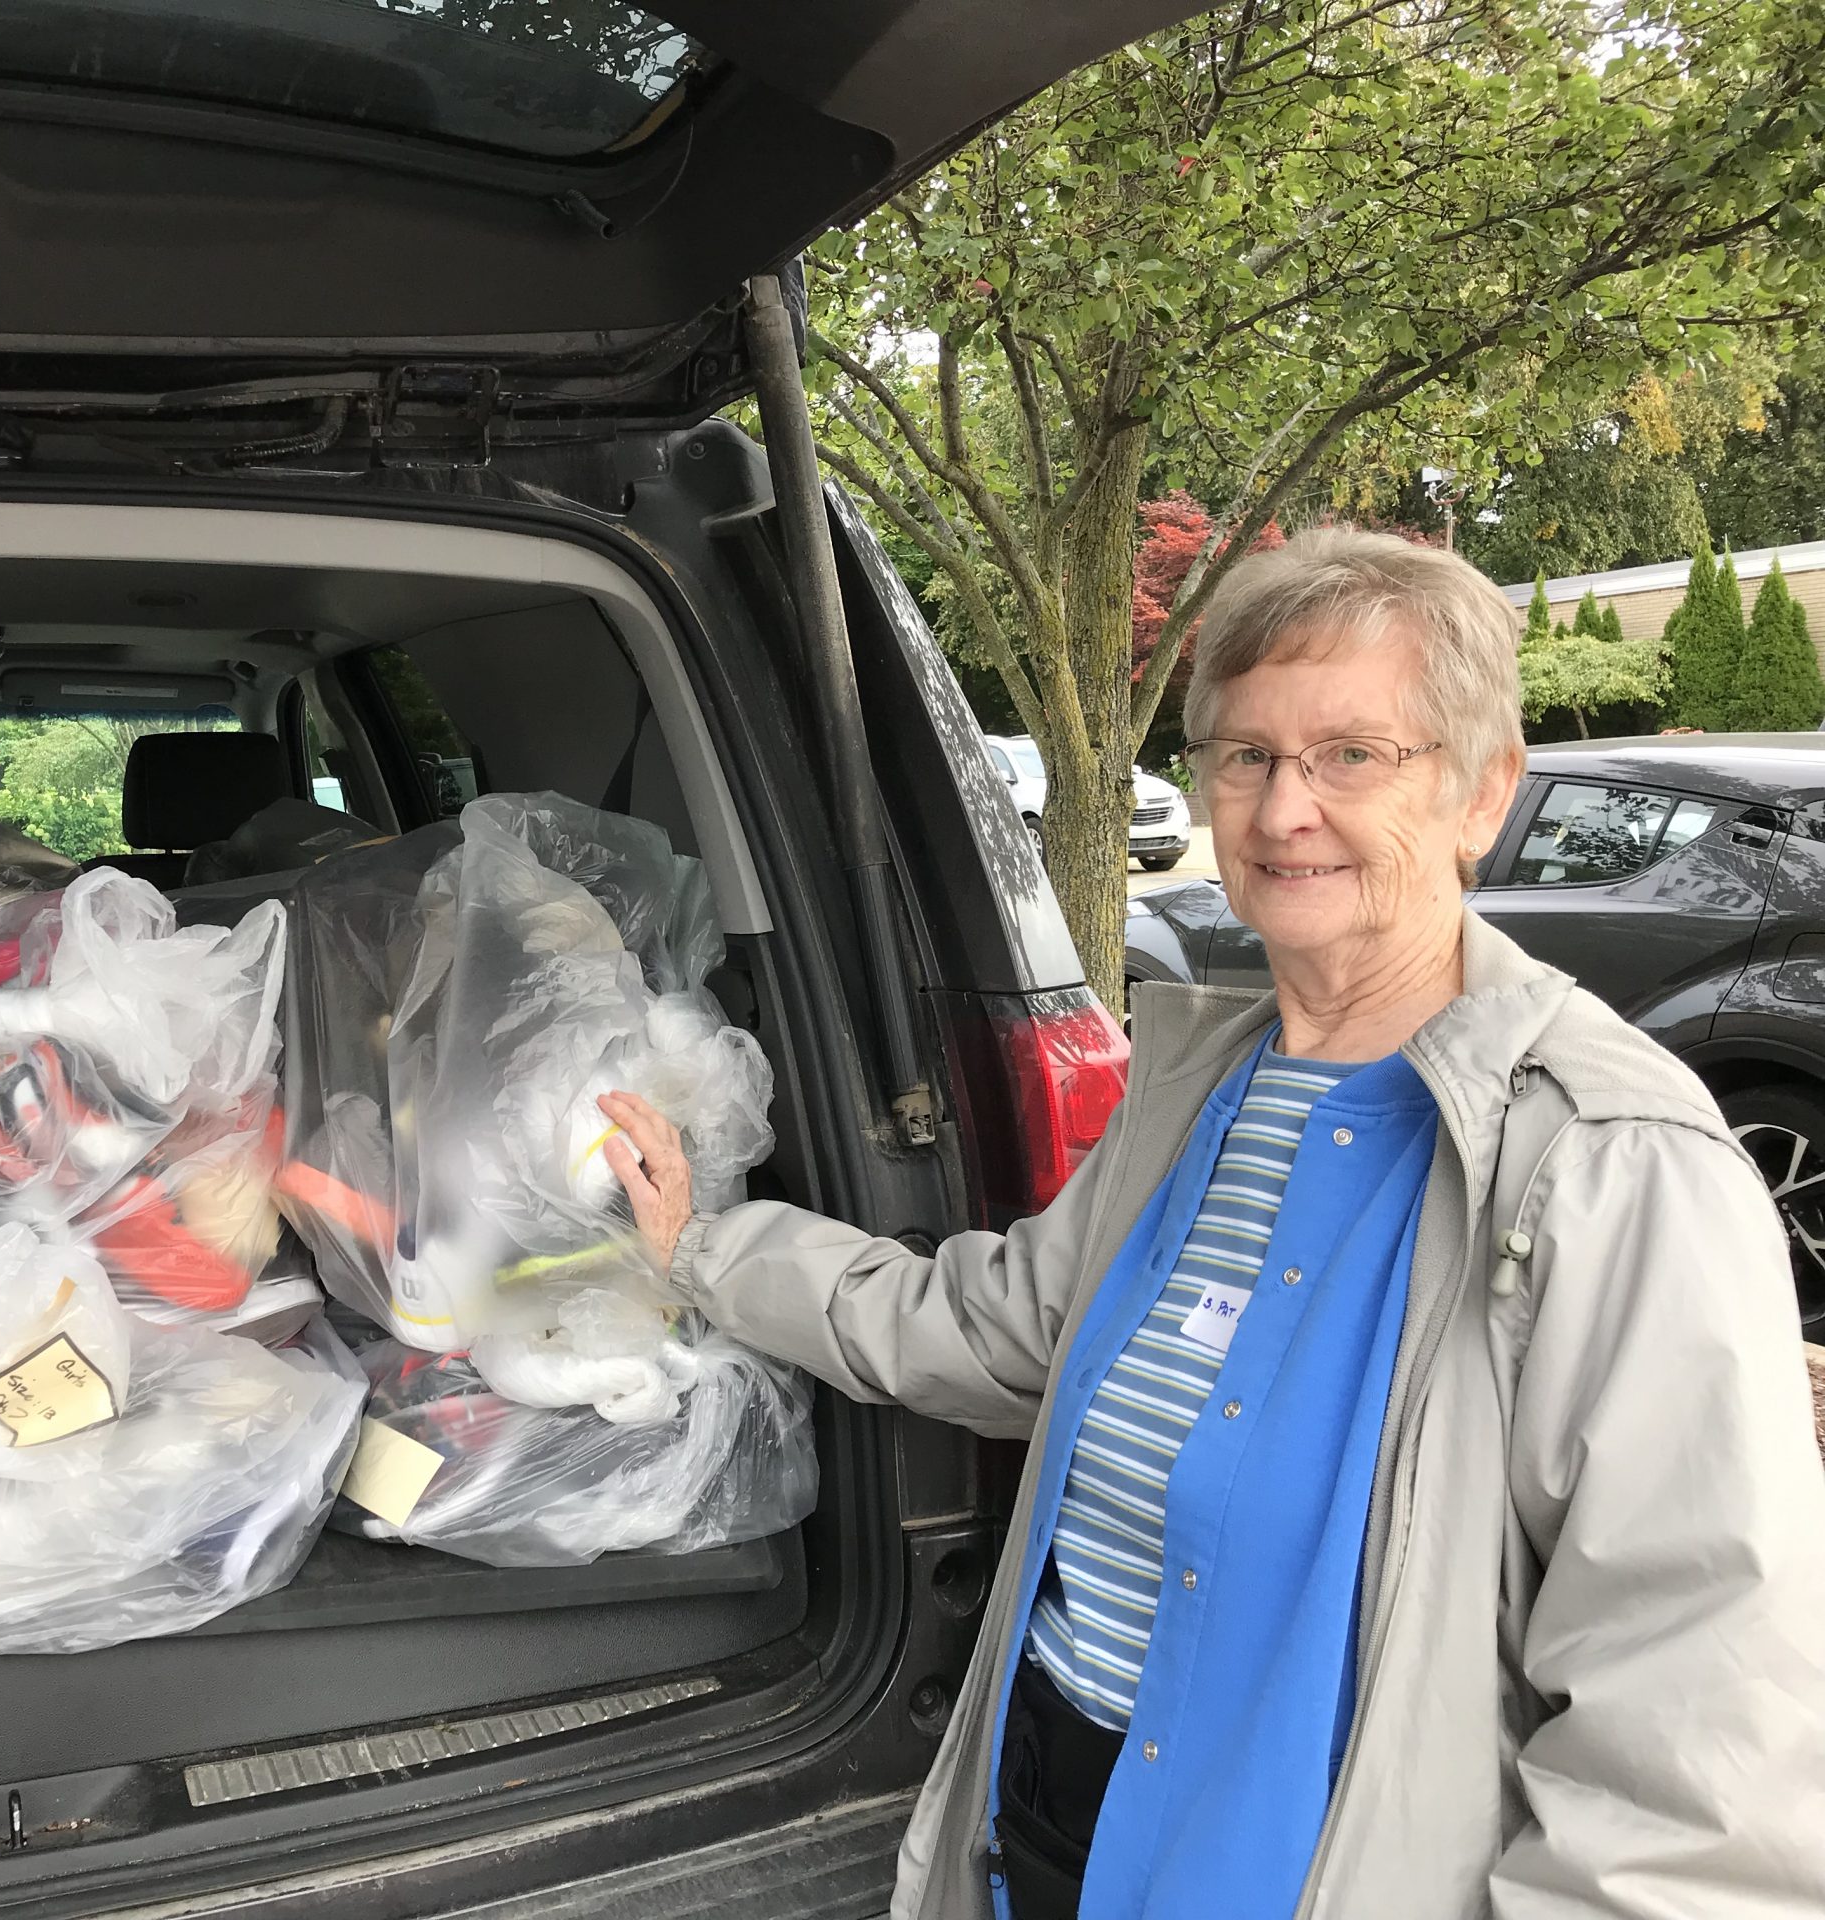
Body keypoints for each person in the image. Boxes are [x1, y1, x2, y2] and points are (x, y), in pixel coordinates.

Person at [599, 527, 1825, 1920]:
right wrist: (704, 1247)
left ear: (1485, 792)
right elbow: (995, 1328)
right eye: (1244, 755)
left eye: (1354, 755)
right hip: (1050, 1818)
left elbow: (1696, 1761)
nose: (1283, 809)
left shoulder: (1608, 1162)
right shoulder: (1201, 1090)